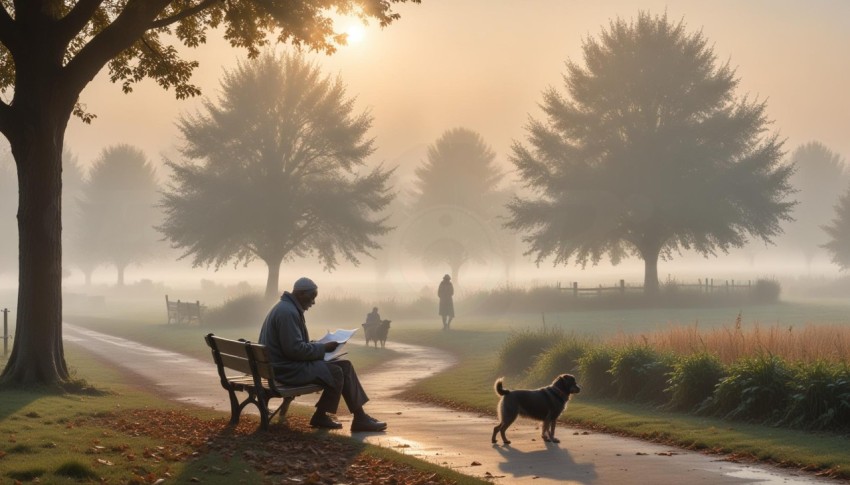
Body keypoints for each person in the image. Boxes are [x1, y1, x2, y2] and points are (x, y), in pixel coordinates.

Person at [258, 277, 387, 432]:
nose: (313, 302)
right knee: (336, 372)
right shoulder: (288, 313)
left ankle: (360, 417)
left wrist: (317, 345)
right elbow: (294, 350)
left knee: (345, 366)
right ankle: (321, 416)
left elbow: (293, 345)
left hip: (280, 366)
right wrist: (323, 348)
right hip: (286, 370)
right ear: (300, 294)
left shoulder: (285, 308)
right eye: (312, 297)